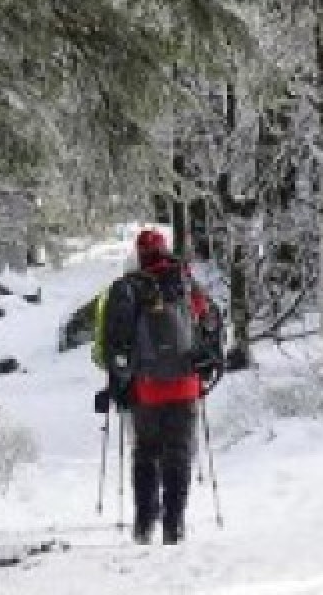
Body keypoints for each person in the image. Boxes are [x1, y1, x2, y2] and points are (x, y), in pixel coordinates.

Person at [95, 228, 223, 545]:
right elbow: (210, 323)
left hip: (147, 388)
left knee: (146, 453)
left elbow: (115, 343)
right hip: (185, 385)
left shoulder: (127, 289)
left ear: (139, 255)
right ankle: (174, 523)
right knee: (179, 454)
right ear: (165, 251)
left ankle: (143, 523)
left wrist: (118, 384)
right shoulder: (185, 283)